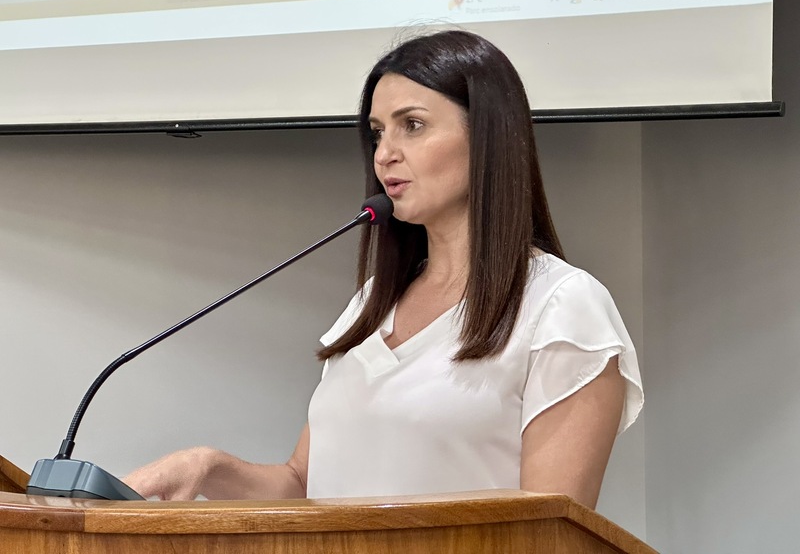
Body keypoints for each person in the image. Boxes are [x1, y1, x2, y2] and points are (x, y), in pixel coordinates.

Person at [124, 29, 643, 509]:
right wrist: (207, 467)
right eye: (377, 133)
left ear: (487, 135)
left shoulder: (562, 307)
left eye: (412, 126)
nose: (385, 155)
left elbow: (550, 533)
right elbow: (307, 486)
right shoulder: (376, 299)